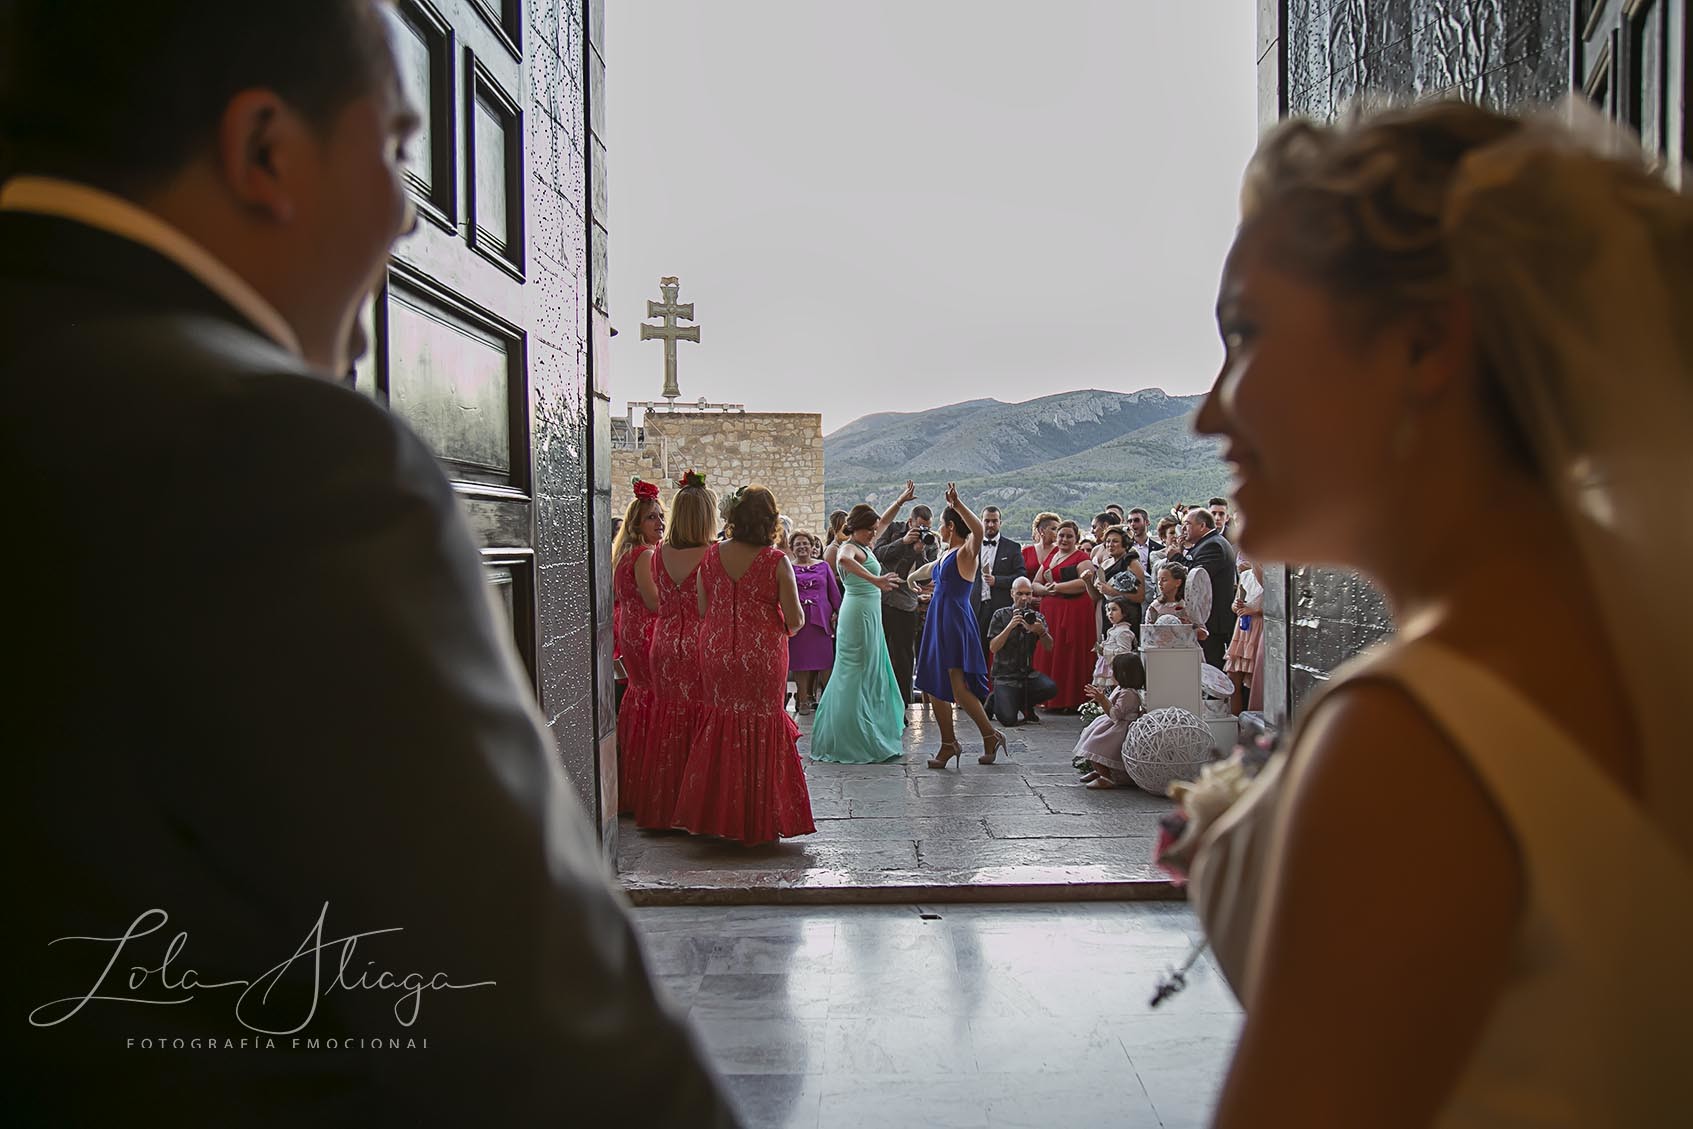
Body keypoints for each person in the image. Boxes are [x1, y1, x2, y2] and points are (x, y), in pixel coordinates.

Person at [0, 2, 735, 1123]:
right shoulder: (271, 457)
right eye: (397, 147)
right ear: (265, 151)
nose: (409, 213)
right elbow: (544, 1030)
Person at [1190, 100, 1693, 1127]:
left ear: (1424, 343)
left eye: (1243, 334)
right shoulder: (1639, 654)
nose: (1209, 411)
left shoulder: (1413, 734)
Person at [672, 486, 814, 845]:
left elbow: (704, 609)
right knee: (761, 724)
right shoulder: (775, 561)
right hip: (763, 655)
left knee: (722, 722)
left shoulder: (711, 556)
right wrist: (779, 622)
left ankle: (717, 817)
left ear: (732, 518)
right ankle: (757, 819)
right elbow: (795, 618)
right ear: (769, 521)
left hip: (716, 650)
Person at [634, 472, 715, 831]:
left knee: (668, 722)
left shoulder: (657, 554)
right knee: (701, 722)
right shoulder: (713, 555)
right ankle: (696, 809)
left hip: (664, 643)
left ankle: (664, 809)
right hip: (699, 645)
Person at [809, 491, 912, 763]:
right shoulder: (849, 546)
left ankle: (868, 728)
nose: (874, 533)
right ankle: (848, 737)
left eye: (874, 529)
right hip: (857, 614)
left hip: (870, 613)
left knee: (870, 671)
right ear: (857, 528)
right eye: (870, 530)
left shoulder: (866, 544)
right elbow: (843, 561)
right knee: (855, 672)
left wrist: (900, 501)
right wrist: (875, 580)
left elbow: (885, 522)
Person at [910, 484, 1006, 767]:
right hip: (939, 619)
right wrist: (911, 579)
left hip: (953, 620)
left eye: (941, 524)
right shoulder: (946, 554)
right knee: (935, 683)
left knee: (955, 685)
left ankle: (956, 743)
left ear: (950, 526)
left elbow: (977, 532)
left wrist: (959, 503)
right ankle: (977, 738)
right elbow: (930, 570)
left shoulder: (966, 551)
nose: (938, 529)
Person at [612, 479, 664, 815]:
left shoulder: (624, 554)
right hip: (645, 631)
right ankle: (649, 788)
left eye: (661, 517)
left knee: (638, 696)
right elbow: (654, 601)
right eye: (651, 518)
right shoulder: (644, 555)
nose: (659, 523)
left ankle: (632, 784)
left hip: (628, 628)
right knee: (650, 696)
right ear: (636, 523)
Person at [1029, 519, 1096, 710]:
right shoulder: (1052, 555)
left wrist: (1057, 587)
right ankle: (1049, 698)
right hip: (1051, 614)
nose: (1064, 539)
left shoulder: (1081, 557)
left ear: (1076, 538)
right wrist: (1044, 590)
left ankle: (1070, 699)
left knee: (1069, 653)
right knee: (1051, 652)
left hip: (1073, 613)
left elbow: (1084, 582)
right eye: (1061, 535)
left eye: (1069, 536)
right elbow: (1035, 582)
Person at [874, 501, 936, 705]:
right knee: (880, 654)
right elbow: (878, 554)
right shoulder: (893, 530)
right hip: (882, 600)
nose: (924, 531)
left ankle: (903, 702)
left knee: (904, 658)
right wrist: (903, 542)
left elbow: (927, 579)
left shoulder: (931, 542)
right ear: (910, 522)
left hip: (906, 605)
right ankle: (879, 700)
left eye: (928, 527)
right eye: (920, 527)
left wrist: (919, 552)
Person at [985, 578, 1058, 726]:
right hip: (1004, 676)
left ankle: (1020, 703)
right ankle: (996, 699)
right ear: (1012, 594)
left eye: (1028, 594)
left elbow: (1049, 647)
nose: (1024, 598)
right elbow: (993, 647)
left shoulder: (1036, 617)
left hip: (1027, 675)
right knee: (1008, 720)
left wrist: (1041, 632)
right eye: (1019, 593)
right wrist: (1010, 626)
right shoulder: (1000, 615)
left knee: (1050, 688)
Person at [1074, 653, 1147, 789]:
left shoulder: (1129, 694)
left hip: (1119, 728)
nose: (1111, 673)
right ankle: (1099, 771)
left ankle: (1106, 776)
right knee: (1089, 739)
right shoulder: (1121, 689)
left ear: (1123, 673)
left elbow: (1115, 714)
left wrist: (1102, 700)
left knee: (1096, 744)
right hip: (1112, 724)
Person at [787, 531, 839, 714]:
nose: (802, 547)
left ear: (812, 546)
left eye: (805, 543)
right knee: (800, 662)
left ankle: (830, 699)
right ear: (792, 549)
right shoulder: (788, 567)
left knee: (826, 660)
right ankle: (802, 700)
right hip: (798, 620)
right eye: (798, 544)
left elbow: (834, 593)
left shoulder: (824, 566)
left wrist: (838, 612)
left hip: (821, 620)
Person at [1182, 504, 1238, 666]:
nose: (1183, 528)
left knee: (1211, 666)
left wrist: (1176, 557)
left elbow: (1196, 578)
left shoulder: (1213, 545)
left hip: (1212, 620)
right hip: (1209, 620)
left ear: (1202, 526)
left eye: (1187, 524)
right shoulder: (1208, 543)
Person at [975, 504, 1025, 670]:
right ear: (981, 521)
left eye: (994, 521)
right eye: (987, 521)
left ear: (1000, 522)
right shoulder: (972, 546)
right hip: (976, 607)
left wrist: (998, 581)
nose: (990, 525)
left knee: (1003, 650)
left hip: (1001, 606)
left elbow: (1021, 576)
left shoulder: (1012, 547)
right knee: (977, 649)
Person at [1088, 524, 1147, 639]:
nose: (1110, 545)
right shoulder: (1104, 564)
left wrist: (1113, 592)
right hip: (1107, 613)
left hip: (1127, 616)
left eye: (1115, 541)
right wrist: (1087, 582)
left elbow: (1140, 596)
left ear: (1124, 543)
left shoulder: (1131, 563)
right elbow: (1096, 597)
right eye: (1108, 541)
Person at [1225, 555, 1265, 714]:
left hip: (1260, 629)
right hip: (1243, 629)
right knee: (1233, 675)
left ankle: (1255, 719)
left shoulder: (1272, 577)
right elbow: (1236, 604)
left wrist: (1256, 610)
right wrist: (1237, 606)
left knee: (1257, 678)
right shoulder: (1245, 576)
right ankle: (1236, 721)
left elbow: (1278, 605)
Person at [1091, 596, 1138, 691]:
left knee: (1115, 691)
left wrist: (1105, 651)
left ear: (1124, 612)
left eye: (1114, 609)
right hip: (1108, 667)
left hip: (1116, 670)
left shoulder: (1123, 632)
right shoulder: (1114, 630)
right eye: (1108, 610)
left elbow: (1124, 653)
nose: (1110, 613)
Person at [1022, 511, 1061, 589]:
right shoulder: (1026, 552)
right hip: (1028, 597)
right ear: (1042, 531)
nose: (1058, 533)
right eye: (1053, 529)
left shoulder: (1060, 552)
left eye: (1059, 529)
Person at [1126, 507, 1162, 571]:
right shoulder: (1125, 547)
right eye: (1129, 521)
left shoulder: (1159, 549)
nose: (1132, 524)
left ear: (1147, 522)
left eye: (1136, 520)